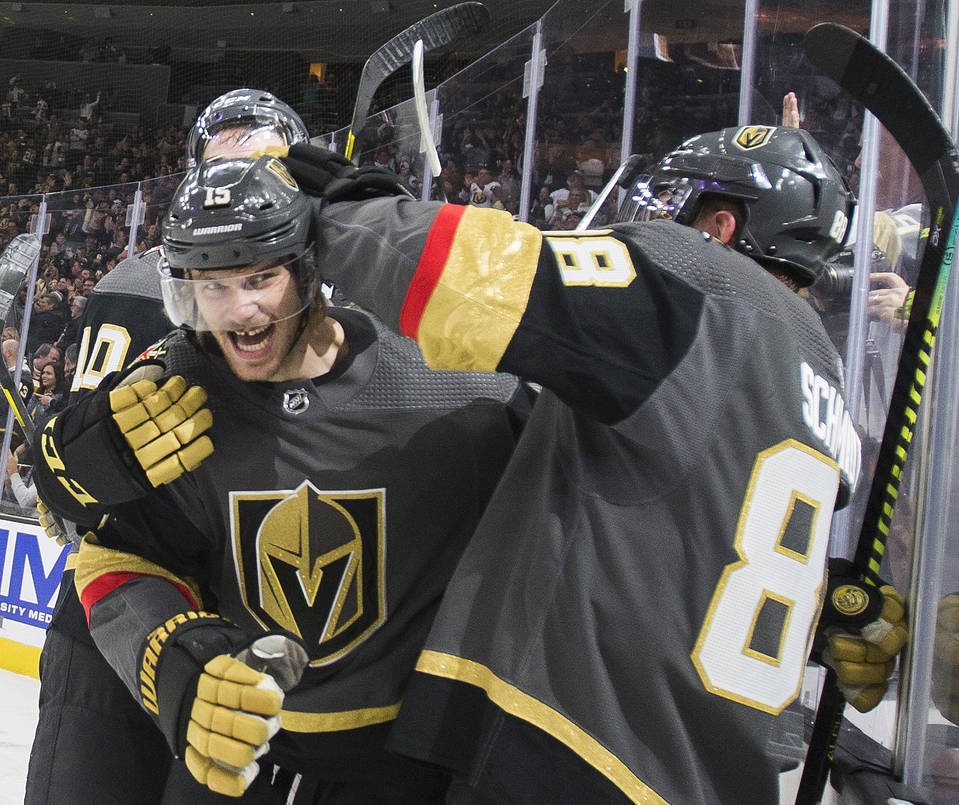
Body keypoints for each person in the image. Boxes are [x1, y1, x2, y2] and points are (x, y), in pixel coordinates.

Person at [280, 124, 906, 803]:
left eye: (678, 203)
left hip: (578, 740)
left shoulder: (701, 284)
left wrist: (343, 210)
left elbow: (473, 284)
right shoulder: (821, 375)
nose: (660, 218)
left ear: (722, 225)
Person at [39, 155, 529, 802]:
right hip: (244, 759)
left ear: (310, 269)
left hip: (403, 763)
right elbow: (118, 555)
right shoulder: (174, 394)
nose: (240, 311)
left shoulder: (452, 384)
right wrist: (177, 660)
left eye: (261, 277)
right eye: (213, 285)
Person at [25, 89, 315, 805]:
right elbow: (76, 461)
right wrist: (70, 477)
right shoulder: (135, 284)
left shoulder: (322, 297)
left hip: (247, 634)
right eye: (224, 169)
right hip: (114, 614)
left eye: (264, 169)